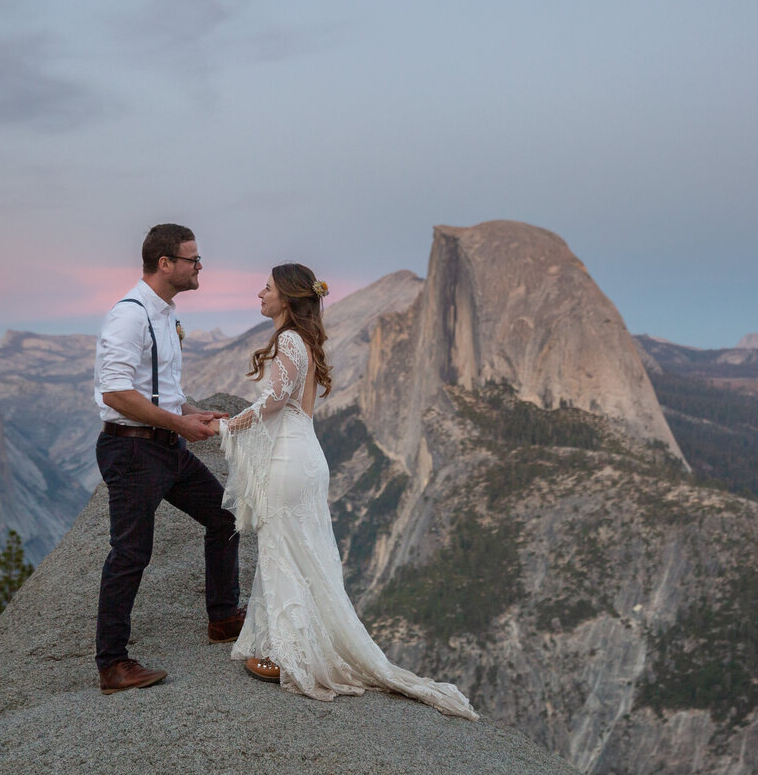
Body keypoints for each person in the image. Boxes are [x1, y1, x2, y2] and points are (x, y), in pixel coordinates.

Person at [206, 263, 479, 719]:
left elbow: (274, 401)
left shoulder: (290, 339)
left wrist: (225, 426)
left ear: (288, 299)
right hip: (303, 455)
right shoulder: (302, 340)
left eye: (267, 288)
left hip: (289, 459)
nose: (260, 293)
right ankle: (288, 643)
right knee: (299, 550)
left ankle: (294, 653)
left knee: (284, 550)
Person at [92, 223, 245, 694]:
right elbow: (114, 391)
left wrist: (187, 411)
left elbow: (152, 388)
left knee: (225, 516)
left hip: (163, 445)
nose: (199, 267)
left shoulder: (165, 313)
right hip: (134, 449)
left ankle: (222, 618)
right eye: (192, 259)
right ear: (165, 263)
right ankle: (112, 665)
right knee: (131, 553)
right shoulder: (130, 315)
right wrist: (179, 425)